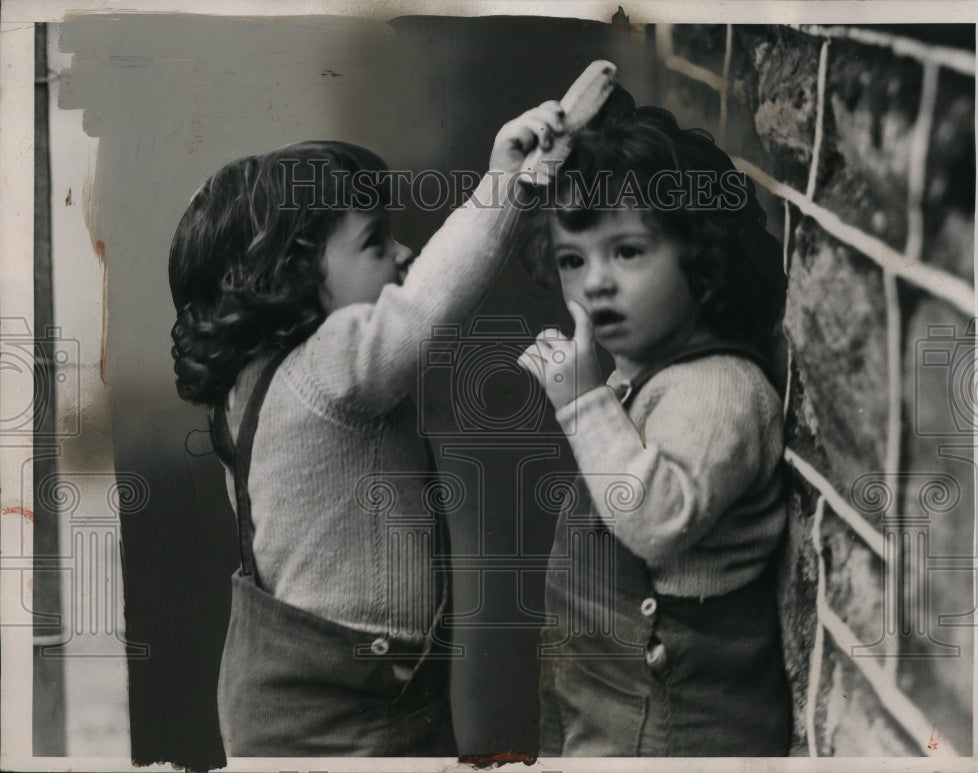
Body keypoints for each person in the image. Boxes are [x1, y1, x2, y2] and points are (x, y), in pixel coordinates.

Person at [168, 101, 564, 756]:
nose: (404, 251)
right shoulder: (331, 363)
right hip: (353, 708)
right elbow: (427, 303)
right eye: (377, 242)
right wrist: (506, 187)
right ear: (291, 278)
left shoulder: (243, 392)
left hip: (284, 700)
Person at [517, 86, 792, 756]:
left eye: (628, 252)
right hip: (610, 702)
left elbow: (654, 520)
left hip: (676, 723)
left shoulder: (716, 389)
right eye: (573, 260)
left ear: (701, 257)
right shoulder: (640, 371)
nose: (596, 283)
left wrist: (584, 404)